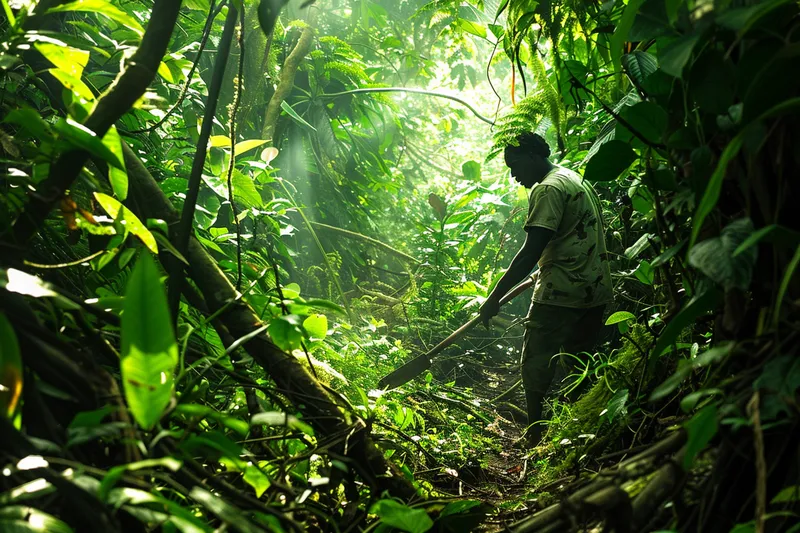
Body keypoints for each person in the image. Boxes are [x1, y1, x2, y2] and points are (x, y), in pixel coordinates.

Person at [479, 132, 612, 445]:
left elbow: (530, 251)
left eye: (515, 166)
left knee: (536, 363)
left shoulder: (549, 188)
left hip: (561, 292)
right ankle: (576, 434)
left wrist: (494, 298)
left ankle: (535, 434)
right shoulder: (572, 178)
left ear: (532, 157)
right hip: (593, 289)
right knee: (579, 364)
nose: (514, 175)